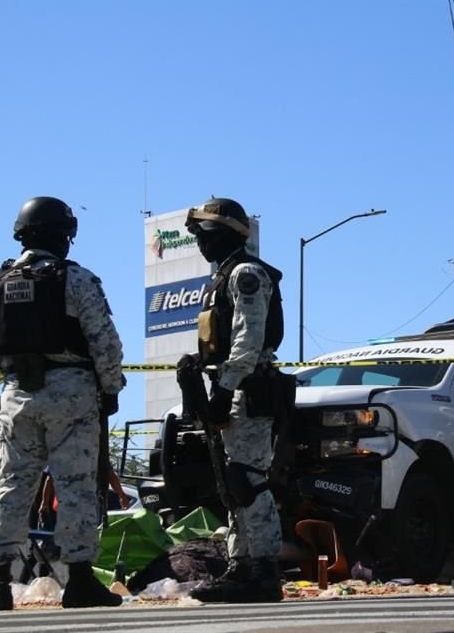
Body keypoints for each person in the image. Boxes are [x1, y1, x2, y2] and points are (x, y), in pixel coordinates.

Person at [0, 196, 124, 610]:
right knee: (76, 485)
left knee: (13, 486)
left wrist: (8, 354)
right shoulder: (76, 280)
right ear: (64, 236)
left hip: (18, 394)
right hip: (72, 392)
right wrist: (111, 388)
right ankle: (80, 581)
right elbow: (106, 343)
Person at [182, 198, 287, 604]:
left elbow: (248, 338)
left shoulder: (245, 273)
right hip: (230, 384)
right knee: (233, 483)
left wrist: (226, 387)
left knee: (248, 480)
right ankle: (241, 566)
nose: (200, 244)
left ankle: (263, 568)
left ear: (228, 233)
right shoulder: (221, 277)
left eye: (206, 235)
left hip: (247, 387)